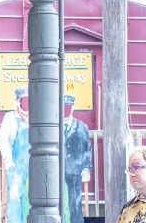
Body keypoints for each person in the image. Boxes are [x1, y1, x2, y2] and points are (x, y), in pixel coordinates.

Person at [0, 87, 30, 223]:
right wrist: (9, 163)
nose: (26, 105)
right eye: (23, 101)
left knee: (31, 199)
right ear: (18, 101)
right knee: (15, 198)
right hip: (16, 166)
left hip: (33, 165)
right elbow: (3, 140)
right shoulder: (10, 118)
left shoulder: (36, 118)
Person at [63, 94, 92, 223]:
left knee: (75, 203)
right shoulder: (53, 126)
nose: (65, 110)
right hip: (57, 171)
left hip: (75, 171)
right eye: (63, 107)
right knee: (57, 203)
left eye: (68, 107)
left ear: (72, 108)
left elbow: (87, 150)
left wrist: (86, 168)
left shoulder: (82, 127)